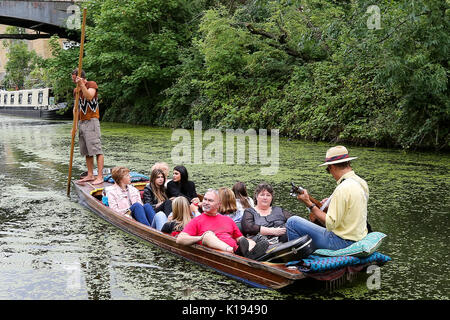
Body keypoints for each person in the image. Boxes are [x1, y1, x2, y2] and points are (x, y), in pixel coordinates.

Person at [286, 145, 369, 250]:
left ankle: (297, 263)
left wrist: (309, 204)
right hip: (358, 238)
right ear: (348, 163)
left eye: (328, 169)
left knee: (292, 222)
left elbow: (330, 224)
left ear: (332, 167)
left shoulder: (342, 189)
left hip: (341, 243)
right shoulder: (361, 183)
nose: (330, 173)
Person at [176, 189, 269, 260]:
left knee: (252, 240)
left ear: (218, 205)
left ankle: (247, 254)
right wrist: (200, 238)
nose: (206, 202)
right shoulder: (197, 220)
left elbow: (239, 238)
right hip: (223, 250)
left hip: (236, 250)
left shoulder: (227, 220)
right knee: (208, 235)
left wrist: (250, 243)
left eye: (210, 200)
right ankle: (241, 254)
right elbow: (180, 239)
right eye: (205, 199)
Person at [71, 69, 104, 185]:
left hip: (92, 121)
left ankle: (100, 176)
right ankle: (90, 175)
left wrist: (82, 85)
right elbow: (76, 109)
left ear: (81, 78)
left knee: (97, 149)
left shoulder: (91, 84)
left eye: (75, 79)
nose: (74, 81)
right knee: (86, 151)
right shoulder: (76, 90)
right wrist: (74, 126)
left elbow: (89, 96)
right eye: (73, 80)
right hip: (82, 122)